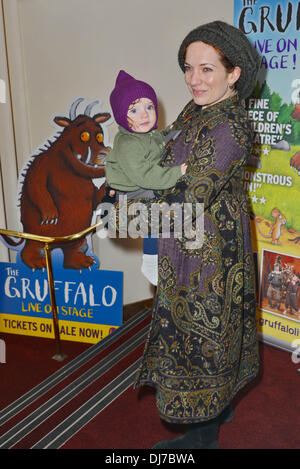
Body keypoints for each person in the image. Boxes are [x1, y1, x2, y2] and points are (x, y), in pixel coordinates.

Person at [111, 20, 260, 449]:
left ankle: (203, 436)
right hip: (191, 240)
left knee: (203, 337)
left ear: (234, 74)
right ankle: (222, 400)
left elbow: (187, 198)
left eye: (207, 69)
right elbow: (163, 153)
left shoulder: (229, 127)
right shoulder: (198, 108)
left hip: (208, 253)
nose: (194, 79)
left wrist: (120, 214)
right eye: (188, 67)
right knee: (206, 334)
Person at [106, 70, 186, 285]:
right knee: (154, 213)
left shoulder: (144, 134)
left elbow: (158, 141)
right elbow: (146, 175)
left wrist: (172, 132)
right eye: (134, 110)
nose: (144, 115)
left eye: (149, 107)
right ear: (122, 116)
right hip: (131, 189)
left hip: (141, 181)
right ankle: (150, 261)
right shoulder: (128, 144)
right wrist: (177, 172)